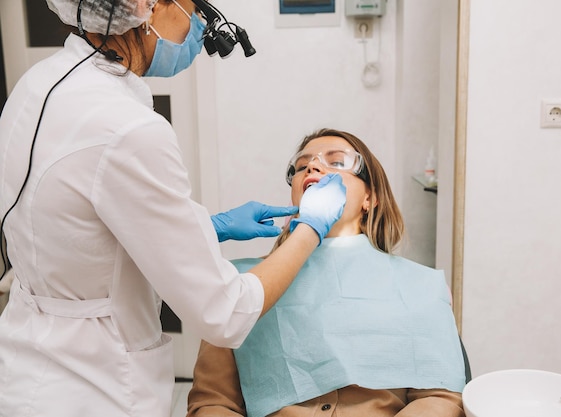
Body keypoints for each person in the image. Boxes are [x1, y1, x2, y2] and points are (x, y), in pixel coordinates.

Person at [0, 1, 346, 416]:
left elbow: (77, 224)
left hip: (27, 364)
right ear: (150, 6)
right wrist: (310, 226)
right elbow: (225, 312)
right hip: (92, 387)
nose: (202, 23)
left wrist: (206, 227)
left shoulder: (38, 85)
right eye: (195, 6)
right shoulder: (128, 129)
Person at [187, 128, 467, 417]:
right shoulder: (240, 286)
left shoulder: (418, 285)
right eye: (301, 165)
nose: (313, 166)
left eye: (337, 161)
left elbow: (440, 398)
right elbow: (213, 404)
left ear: (369, 198)